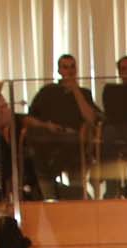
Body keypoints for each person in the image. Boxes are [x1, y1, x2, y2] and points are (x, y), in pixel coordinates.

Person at [26, 53, 100, 201]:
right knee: (36, 147)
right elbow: (29, 118)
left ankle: (69, 194)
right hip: (48, 137)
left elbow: (91, 119)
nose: (69, 71)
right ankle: (49, 196)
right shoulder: (47, 91)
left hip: (74, 139)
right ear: (59, 70)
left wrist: (76, 91)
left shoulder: (84, 93)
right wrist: (46, 125)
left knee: (71, 148)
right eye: (65, 67)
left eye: (72, 67)